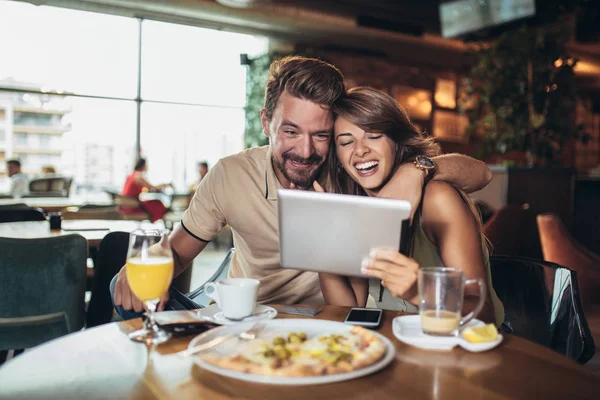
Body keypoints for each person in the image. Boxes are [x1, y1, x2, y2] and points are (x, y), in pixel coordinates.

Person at [112, 56, 493, 317]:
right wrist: (143, 266)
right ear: (266, 123)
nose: (306, 150)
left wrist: (419, 168)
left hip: (337, 321)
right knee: (122, 285)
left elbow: (480, 174)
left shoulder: (351, 181)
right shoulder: (236, 175)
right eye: (291, 131)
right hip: (249, 315)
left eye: (322, 136)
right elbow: (175, 252)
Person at [317, 87, 503, 326]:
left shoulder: (437, 199)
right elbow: (349, 310)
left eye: (374, 136)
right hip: (402, 349)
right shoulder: (358, 210)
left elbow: (482, 314)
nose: (360, 150)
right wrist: (321, 247)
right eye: (346, 142)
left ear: (397, 141)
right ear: (339, 159)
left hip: (467, 351)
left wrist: (420, 290)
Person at [121, 158, 169, 222]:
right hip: (132, 205)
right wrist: (165, 185)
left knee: (155, 203)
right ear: (143, 165)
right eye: (146, 165)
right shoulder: (139, 176)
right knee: (158, 205)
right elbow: (153, 188)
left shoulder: (131, 175)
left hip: (125, 203)